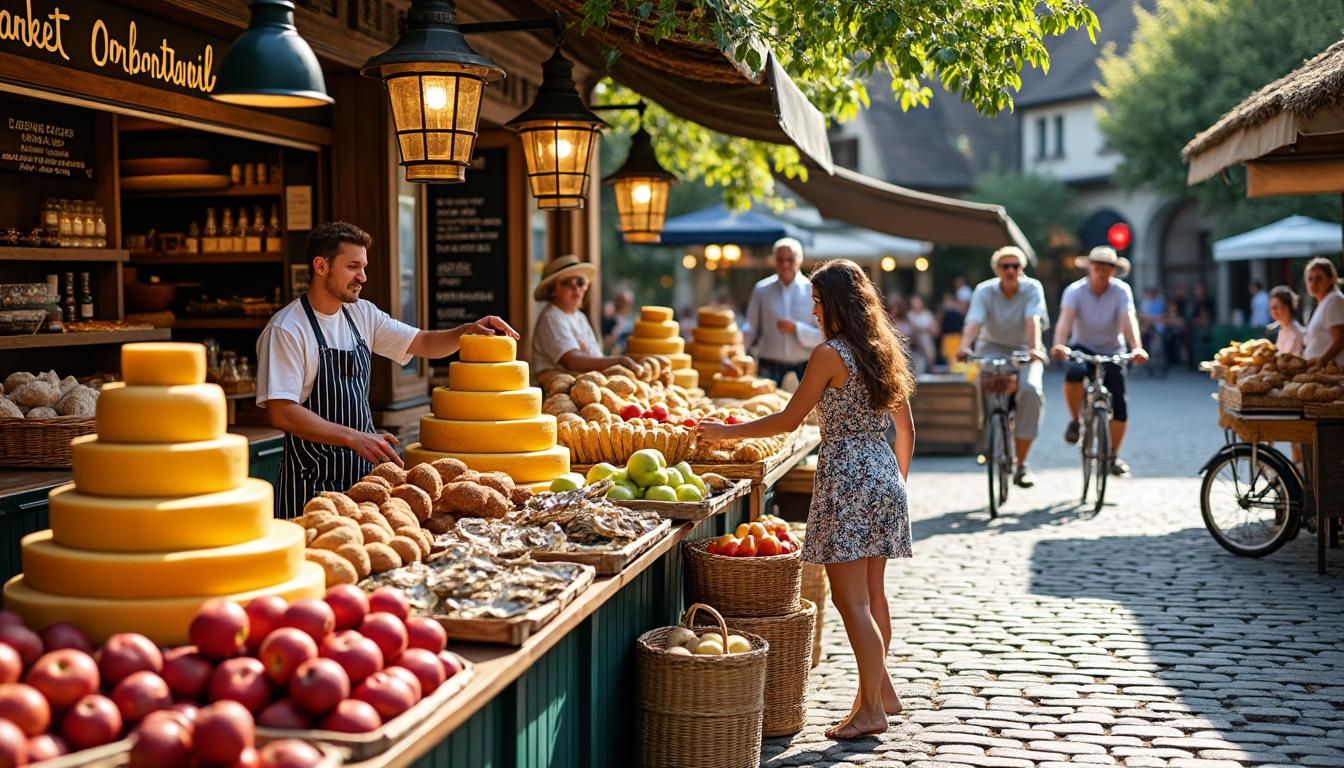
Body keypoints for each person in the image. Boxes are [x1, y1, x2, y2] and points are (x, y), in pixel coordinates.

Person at [697, 259, 914, 740]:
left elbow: (788, 420)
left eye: (817, 302)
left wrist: (724, 433)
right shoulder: (882, 351)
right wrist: (894, 486)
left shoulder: (829, 354)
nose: (813, 311)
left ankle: (871, 710)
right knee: (872, 595)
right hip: (884, 476)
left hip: (847, 481)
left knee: (849, 601)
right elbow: (908, 432)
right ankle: (882, 693)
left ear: (835, 303)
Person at [257, 222, 518, 517]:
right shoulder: (287, 329)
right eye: (353, 266)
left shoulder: (361, 313)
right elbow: (281, 411)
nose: (362, 277)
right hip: (309, 489)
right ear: (320, 266)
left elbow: (423, 343)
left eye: (363, 267)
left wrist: (468, 331)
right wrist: (354, 437)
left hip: (363, 485)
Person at [1050, 246, 1148, 477]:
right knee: (1074, 373)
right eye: (1098, 268)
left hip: (1112, 350)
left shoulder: (1121, 290)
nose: (1102, 273)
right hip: (1083, 346)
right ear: (1090, 268)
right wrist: (1059, 344)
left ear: (1113, 270)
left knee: (1120, 405)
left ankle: (1113, 456)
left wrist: (1136, 347)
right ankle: (1075, 420)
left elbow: (1127, 320)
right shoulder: (1075, 291)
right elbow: (1065, 320)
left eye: (1107, 268)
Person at [957, 246, 1049, 488]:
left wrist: (1034, 348)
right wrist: (965, 347)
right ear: (997, 269)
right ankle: (986, 437)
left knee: (1031, 391)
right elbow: (974, 321)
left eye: (1015, 266)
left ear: (1022, 269)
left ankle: (1022, 464)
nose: (1010, 271)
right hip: (991, 349)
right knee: (979, 386)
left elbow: (1033, 319)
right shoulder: (984, 290)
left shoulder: (1032, 288)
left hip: (1024, 350)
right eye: (1005, 266)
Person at [531, 254, 638, 376]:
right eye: (566, 283)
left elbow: (596, 356)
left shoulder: (580, 317)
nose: (576, 288)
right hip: (555, 386)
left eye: (580, 282)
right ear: (552, 291)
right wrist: (618, 361)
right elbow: (572, 361)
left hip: (582, 384)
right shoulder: (552, 317)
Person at [742, 237, 824, 385]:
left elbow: (823, 334)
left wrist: (797, 328)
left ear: (799, 260)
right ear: (774, 261)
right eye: (780, 260)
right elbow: (750, 327)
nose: (785, 264)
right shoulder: (761, 290)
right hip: (768, 366)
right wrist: (738, 353)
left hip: (805, 366)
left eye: (790, 260)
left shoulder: (812, 290)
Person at [1302, 257, 1344, 366]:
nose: (1313, 283)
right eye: (1310, 279)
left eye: (1319, 278)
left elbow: (1340, 339)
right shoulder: (1325, 302)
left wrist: (1321, 362)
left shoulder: (1335, 300)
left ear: (1331, 279)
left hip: (1331, 370)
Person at [1269, 285, 1305, 356]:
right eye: (1271, 308)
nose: (1273, 311)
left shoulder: (1296, 332)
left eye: (1276, 307)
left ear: (1288, 306)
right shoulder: (1281, 329)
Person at [905, 295, 939, 371]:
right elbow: (913, 329)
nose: (916, 304)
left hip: (928, 344)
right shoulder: (909, 315)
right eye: (914, 302)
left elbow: (935, 331)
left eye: (917, 302)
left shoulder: (928, 314)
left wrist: (922, 329)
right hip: (915, 345)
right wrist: (926, 328)